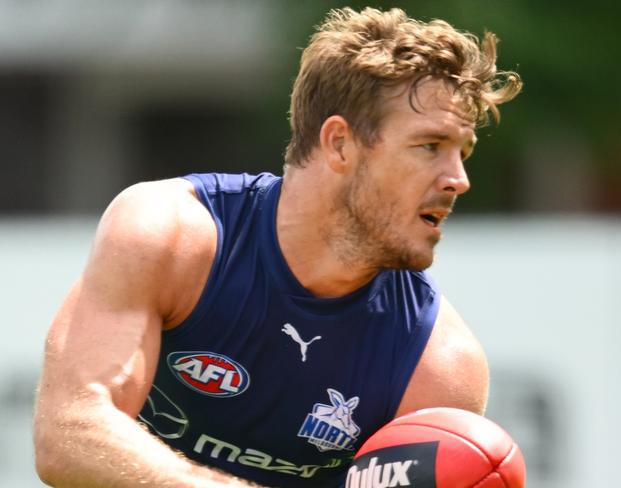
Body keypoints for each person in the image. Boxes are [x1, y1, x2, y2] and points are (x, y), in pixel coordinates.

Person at [33, 6, 521, 488]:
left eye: (464, 152)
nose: (458, 179)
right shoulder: (174, 234)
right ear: (339, 144)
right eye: (430, 146)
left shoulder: (439, 364)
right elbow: (70, 433)